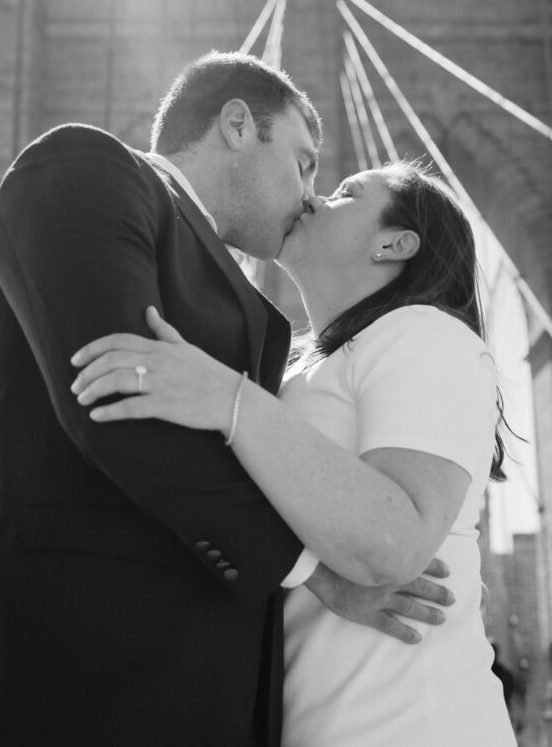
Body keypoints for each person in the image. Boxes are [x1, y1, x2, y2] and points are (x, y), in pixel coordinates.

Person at [0, 54, 451, 747]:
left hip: (206, 692)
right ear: (236, 125)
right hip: (79, 675)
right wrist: (315, 572)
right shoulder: (87, 170)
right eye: (303, 161)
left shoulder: (257, 309)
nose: (310, 195)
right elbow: (113, 403)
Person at [71, 160, 517, 745]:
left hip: (414, 722)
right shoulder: (298, 375)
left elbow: (395, 542)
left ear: (394, 243)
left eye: (346, 194)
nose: (315, 195)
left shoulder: (426, 334)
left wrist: (226, 398)